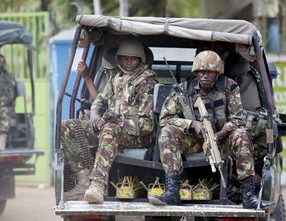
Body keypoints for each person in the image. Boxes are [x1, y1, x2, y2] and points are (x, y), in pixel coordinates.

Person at [149, 50, 269, 209]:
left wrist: (221, 133)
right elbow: (165, 119)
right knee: (167, 132)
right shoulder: (184, 89)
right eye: (201, 71)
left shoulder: (229, 87)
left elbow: (237, 119)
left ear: (217, 72)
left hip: (221, 141)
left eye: (210, 72)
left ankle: (248, 194)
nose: (204, 75)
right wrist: (191, 124)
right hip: (193, 141)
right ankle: (172, 191)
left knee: (241, 134)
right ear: (196, 73)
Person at [61, 39, 157, 203]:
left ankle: (97, 185)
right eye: (124, 58)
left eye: (132, 59)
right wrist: (95, 115)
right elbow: (99, 101)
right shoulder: (116, 79)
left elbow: (147, 125)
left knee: (110, 128)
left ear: (141, 60)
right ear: (118, 60)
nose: (128, 62)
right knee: (67, 126)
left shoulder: (147, 83)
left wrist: (118, 121)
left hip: (137, 137)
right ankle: (84, 181)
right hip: (112, 130)